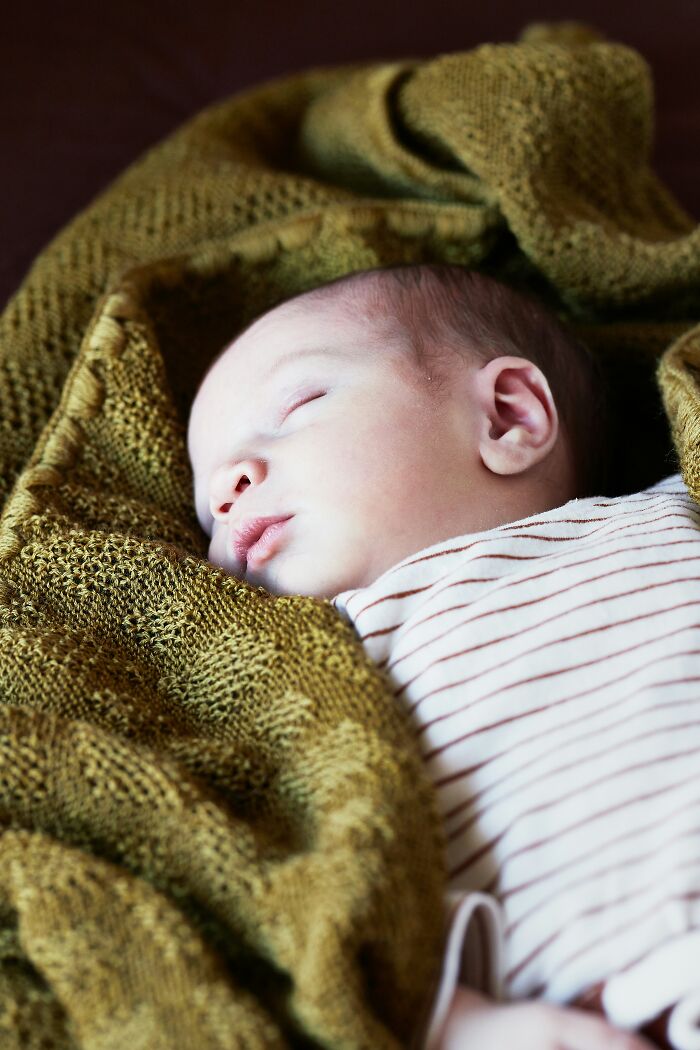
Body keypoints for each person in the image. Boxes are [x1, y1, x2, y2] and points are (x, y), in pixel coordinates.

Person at [187, 264, 700, 1050]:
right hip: (624, 1000)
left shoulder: (669, 513)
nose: (227, 489)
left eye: (297, 407)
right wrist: (467, 1025)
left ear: (507, 416)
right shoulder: (325, 675)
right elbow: (311, 897)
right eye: (204, 512)